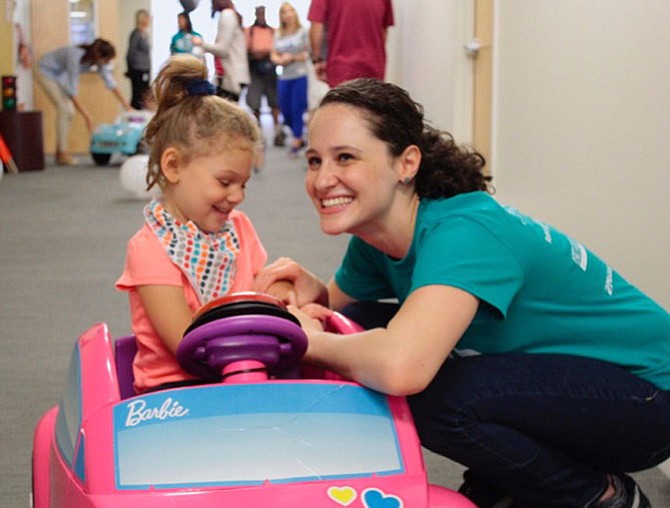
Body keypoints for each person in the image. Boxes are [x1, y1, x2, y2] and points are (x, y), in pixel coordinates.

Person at [254, 78, 670, 508]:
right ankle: (509, 478)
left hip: (648, 401)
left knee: (434, 395)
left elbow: (402, 368)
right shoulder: (376, 237)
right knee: (362, 326)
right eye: (314, 160)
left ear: (406, 163)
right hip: (574, 383)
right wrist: (314, 292)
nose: (323, 180)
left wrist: (306, 341)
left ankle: (598, 494)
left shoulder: (465, 232)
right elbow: (340, 316)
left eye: (345, 158)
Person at [116, 55, 283, 394]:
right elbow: (185, 342)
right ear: (174, 166)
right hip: (174, 393)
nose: (237, 196)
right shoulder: (151, 248)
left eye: (244, 184)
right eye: (225, 182)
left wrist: (288, 301)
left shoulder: (239, 229)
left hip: (246, 374)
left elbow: (262, 292)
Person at [36, 38, 132, 166]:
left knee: (68, 111)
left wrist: (128, 107)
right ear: (98, 56)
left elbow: (111, 83)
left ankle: (60, 152)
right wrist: (88, 119)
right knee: (65, 110)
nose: (108, 63)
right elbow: (73, 92)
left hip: (58, 75)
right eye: (107, 60)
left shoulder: (98, 63)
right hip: (44, 70)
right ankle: (62, 154)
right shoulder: (74, 56)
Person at [307, 0, 394, 88]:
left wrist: (317, 59)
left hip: (340, 65)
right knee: (371, 100)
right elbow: (384, 30)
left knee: (342, 100)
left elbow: (317, 26)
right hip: (374, 64)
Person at [271, 2, 309, 157]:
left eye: (290, 11)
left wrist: (293, 57)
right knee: (285, 111)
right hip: (284, 76)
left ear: (295, 13)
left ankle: (296, 141)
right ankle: (298, 135)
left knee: (297, 108)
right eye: (284, 12)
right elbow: (273, 53)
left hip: (300, 75)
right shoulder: (278, 33)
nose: (288, 14)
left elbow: (308, 54)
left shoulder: (303, 32)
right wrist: (279, 60)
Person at [193, 0, 250, 102]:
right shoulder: (231, 15)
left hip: (232, 77)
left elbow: (222, 50)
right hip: (232, 76)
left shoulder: (227, 15)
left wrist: (201, 44)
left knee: (226, 113)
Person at [245, 5, 284, 147]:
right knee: (255, 103)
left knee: (274, 102)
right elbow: (247, 50)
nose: (261, 16)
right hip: (255, 70)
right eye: (259, 13)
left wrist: (267, 53)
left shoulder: (272, 31)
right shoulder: (250, 32)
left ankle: (278, 132)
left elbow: (277, 50)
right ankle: (259, 134)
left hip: (270, 70)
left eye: (263, 13)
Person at [125, 9, 152, 110]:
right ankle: (134, 116)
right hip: (136, 70)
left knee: (145, 94)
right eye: (147, 18)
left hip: (145, 69)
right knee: (137, 95)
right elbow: (130, 53)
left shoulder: (145, 34)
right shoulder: (135, 34)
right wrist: (129, 69)